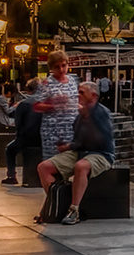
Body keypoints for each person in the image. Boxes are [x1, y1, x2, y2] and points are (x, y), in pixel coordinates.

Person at [35, 81, 116, 226]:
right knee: (44, 167)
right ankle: (56, 203)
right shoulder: (80, 114)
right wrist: (68, 146)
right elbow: (79, 139)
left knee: (81, 166)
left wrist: (87, 118)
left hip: (100, 153)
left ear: (93, 96)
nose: (78, 95)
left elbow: (99, 140)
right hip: (80, 151)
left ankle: (74, 210)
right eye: (78, 91)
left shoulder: (101, 113)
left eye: (82, 92)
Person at [28, 52, 80, 167]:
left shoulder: (72, 81)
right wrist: (53, 105)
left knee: (70, 163)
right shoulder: (46, 84)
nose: (61, 70)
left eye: (63, 65)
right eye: (57, 67)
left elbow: (76, 100)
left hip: (72, 130)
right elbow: (36, 106)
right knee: (52, 164)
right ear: (51, 68)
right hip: (53, 132)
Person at [0, 92, 40, 186]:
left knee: (10, 149)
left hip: (26, 138)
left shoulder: (23, 104)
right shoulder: (46, 102)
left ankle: (11, 176)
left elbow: (18, 124)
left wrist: (19, 136)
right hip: (43, 138)